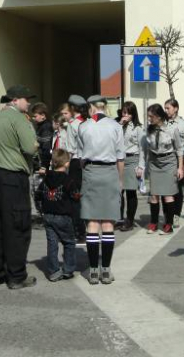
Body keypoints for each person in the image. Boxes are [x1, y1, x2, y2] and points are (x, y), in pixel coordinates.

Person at [0, 85, 39, 289]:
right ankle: (16, 275)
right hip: (12, 176)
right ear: (15, 100)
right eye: (26, 99)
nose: (29, 103)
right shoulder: (18, 119)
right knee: (17, 225)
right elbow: (30, 147)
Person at [78, 95, 126, 284]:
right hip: (109, 172)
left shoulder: (84, 126)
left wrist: (87, 172)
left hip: (90, 171)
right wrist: (120, 180)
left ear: (91, 108)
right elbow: (120, 157)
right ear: (105, 108)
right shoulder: (115, 127)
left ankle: (93, 271)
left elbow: (80, 157)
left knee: (92, 223)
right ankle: (106, 270)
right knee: (107, 223)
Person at [35, 148, 80, 281]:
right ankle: (68, 269)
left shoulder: (45, 179)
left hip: (48, 215)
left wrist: (41, 210)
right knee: (69, 242)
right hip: (64, 216)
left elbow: (38, 195)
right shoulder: (68, 180)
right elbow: (75, 196)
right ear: (66, 164)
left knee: (52, 243)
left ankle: (54, 271)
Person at [142, 103, 184, 236]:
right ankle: (154, 223)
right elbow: (146, 149)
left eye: (151, 116)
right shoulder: (148, 130)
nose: (149, 119)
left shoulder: (172, 130)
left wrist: (180, 168)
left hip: (168, 162)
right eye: (148, 116)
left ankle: (168, 224)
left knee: (168, 195)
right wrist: (144, 166)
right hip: (154, 163)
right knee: (154, 195)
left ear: (159, 116)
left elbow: (179, 149)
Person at [165, 99, 184, 227]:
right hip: (165, 159)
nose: (166, 110)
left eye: (168, 108)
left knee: (177, 189)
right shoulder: (163, 123)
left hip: (179, 159)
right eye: (165, 108)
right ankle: (167, 216)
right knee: (165, 190)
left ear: (175, 108)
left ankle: (176, 215)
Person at [64, 95, 88, 243]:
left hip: (75, 163)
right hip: (90, 162)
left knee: (75, 198)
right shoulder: (90, 122)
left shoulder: (73, 125)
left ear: (73, 108)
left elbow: (70, 149)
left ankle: (79, 232)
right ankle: (91, 229)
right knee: (87, 197)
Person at [118, 101, 144, 231]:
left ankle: (130, 220)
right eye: (123, 112)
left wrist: (141, 166)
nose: (125, 115)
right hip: (119, 160)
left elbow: (142, 148)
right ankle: (119, 218)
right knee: (118, 191)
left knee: (130, 191)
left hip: (132, 159)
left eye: (128, 112)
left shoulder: (138, 128)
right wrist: (120, 124)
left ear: (133, 114)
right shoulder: (118, 126)